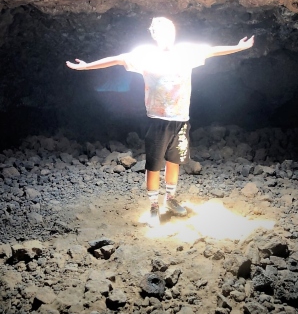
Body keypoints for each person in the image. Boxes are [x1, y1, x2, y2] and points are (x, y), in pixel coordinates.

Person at [66, 18, 254, 219]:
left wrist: (238, 47)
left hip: (181, 119)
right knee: (154, 165)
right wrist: (87, 66)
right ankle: (154, 205)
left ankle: (170, 198)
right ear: (154, 35)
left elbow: (211, 51)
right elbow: (117, 59)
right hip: (157, 120)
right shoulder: (145, 56)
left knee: (174, 161)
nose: (167, 35)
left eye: (170, 31)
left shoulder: (186, 53)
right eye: (161, 32)